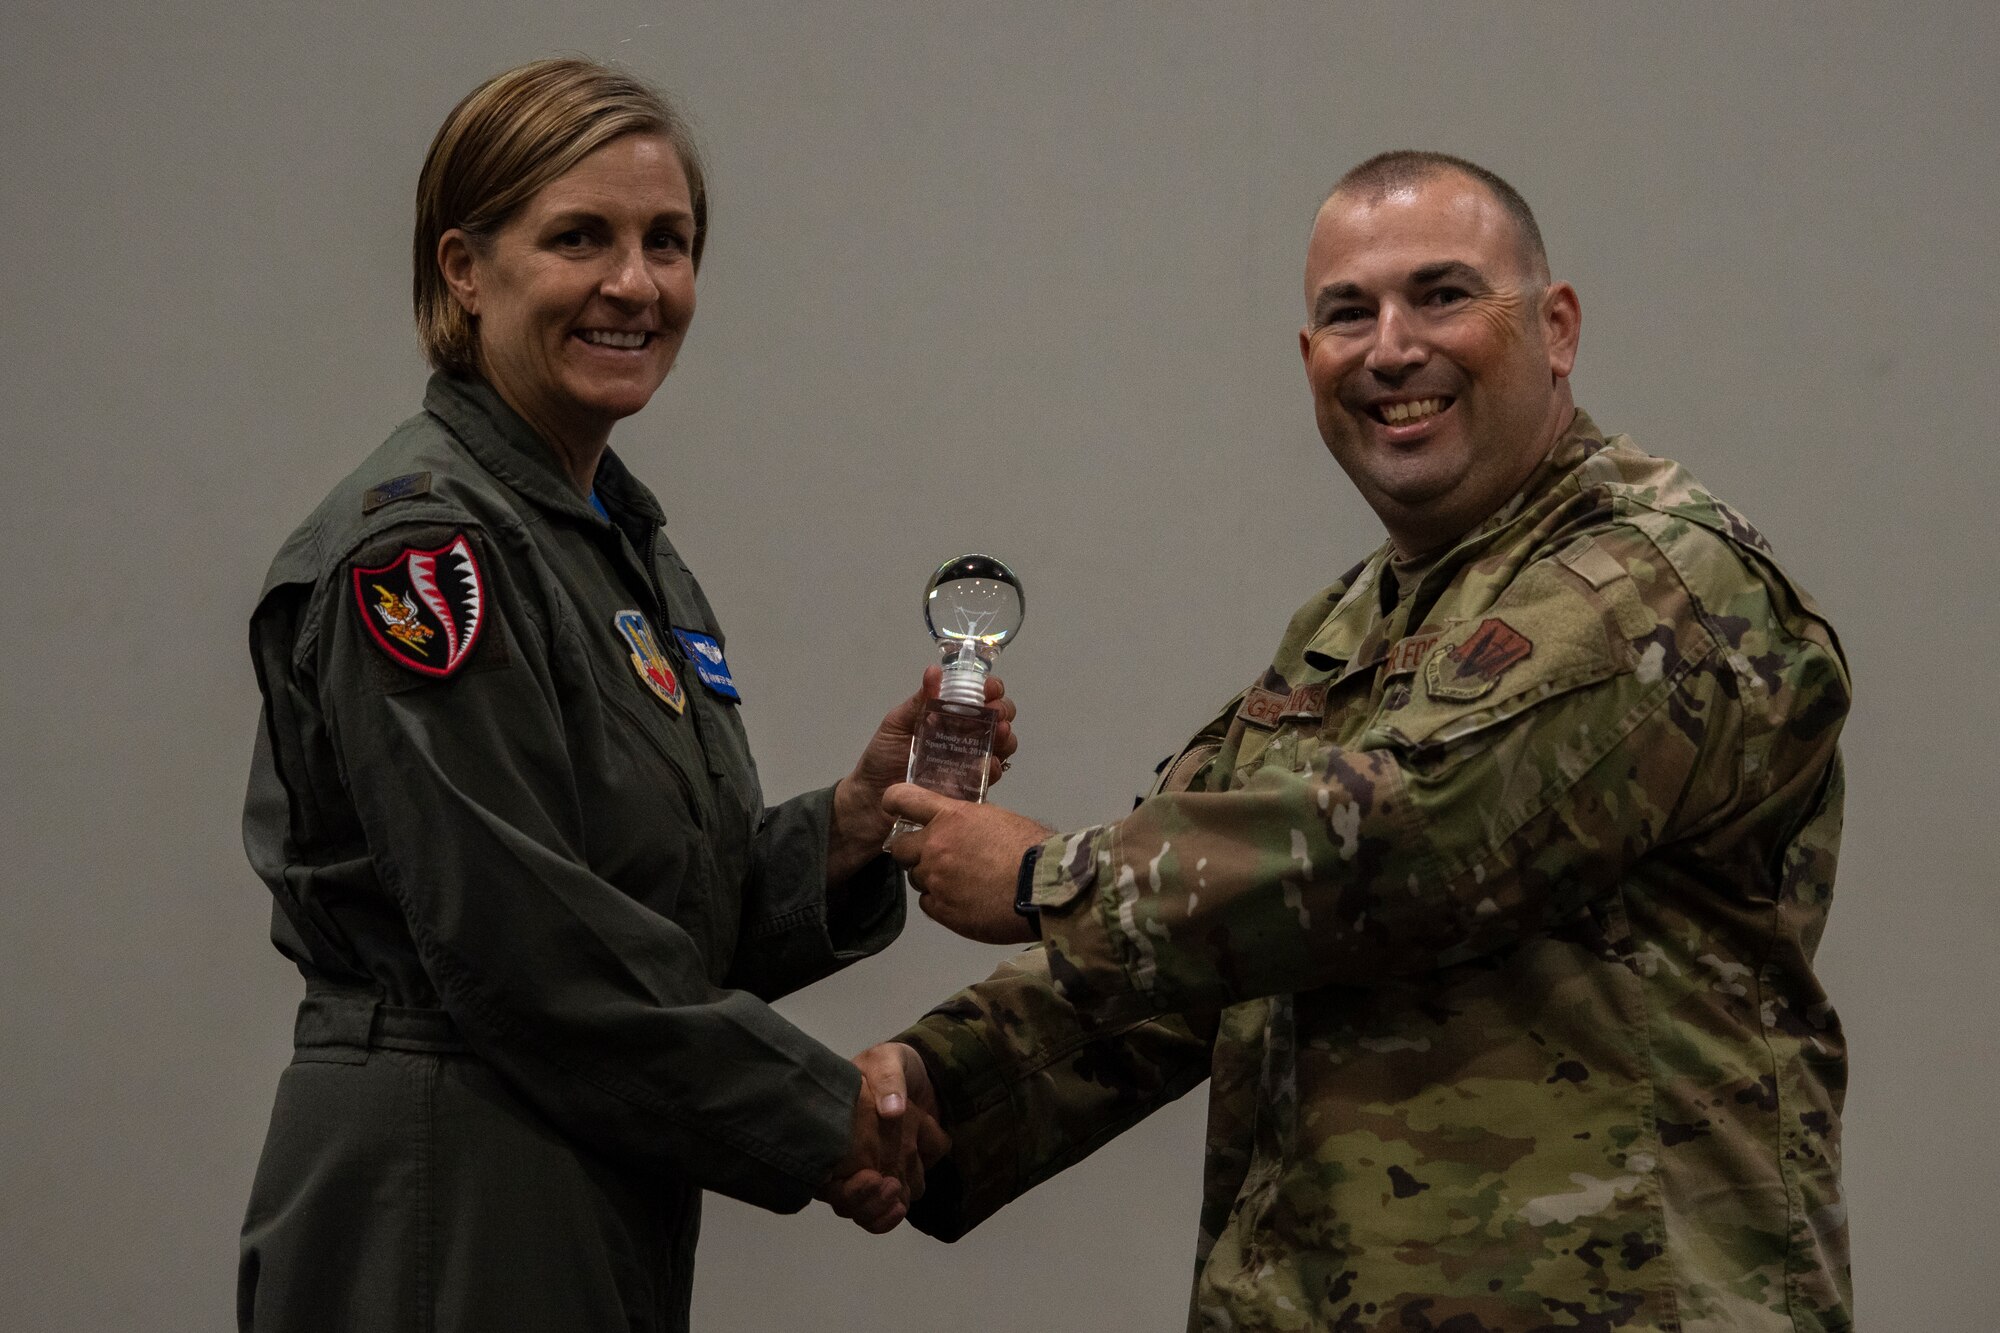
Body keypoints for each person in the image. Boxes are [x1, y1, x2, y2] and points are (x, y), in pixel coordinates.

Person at [842, 151, 1852, 1332]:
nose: (1389, 347)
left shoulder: (1657, 581)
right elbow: (1190, 950)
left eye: (1441, 294)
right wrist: (921, 1091)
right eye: (1344, 312)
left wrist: (1041, 878)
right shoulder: (1348, 626)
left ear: (1556, 326)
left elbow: (1400, 847)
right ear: (1307, 360)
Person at [237, 58, 987, 1332]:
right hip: (449, 1179)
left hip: (576, 1159)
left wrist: (849, 829)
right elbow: (525, 944)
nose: (634, 284)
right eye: (578, 236)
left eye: (668, 242)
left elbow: (650, 915)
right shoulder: (426, 556)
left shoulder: (611, 542)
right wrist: (822, 1115)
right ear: (465, 269)